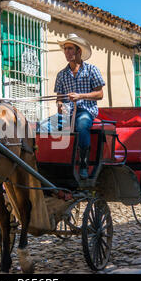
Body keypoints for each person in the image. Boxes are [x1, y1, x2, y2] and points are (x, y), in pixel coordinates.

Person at [54, 33, 105, 179]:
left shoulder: (91, 70)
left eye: (70, 49)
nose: (67, 52)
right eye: (65, 49)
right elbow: (59, 99)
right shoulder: (61, 75)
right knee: (47, 127)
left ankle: (83, 164)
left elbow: (100, 94)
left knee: (82, 124)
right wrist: (60, 106)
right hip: (68, 112)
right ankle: (56, 162)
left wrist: (80, 96)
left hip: (86, 110)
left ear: (79, 51)